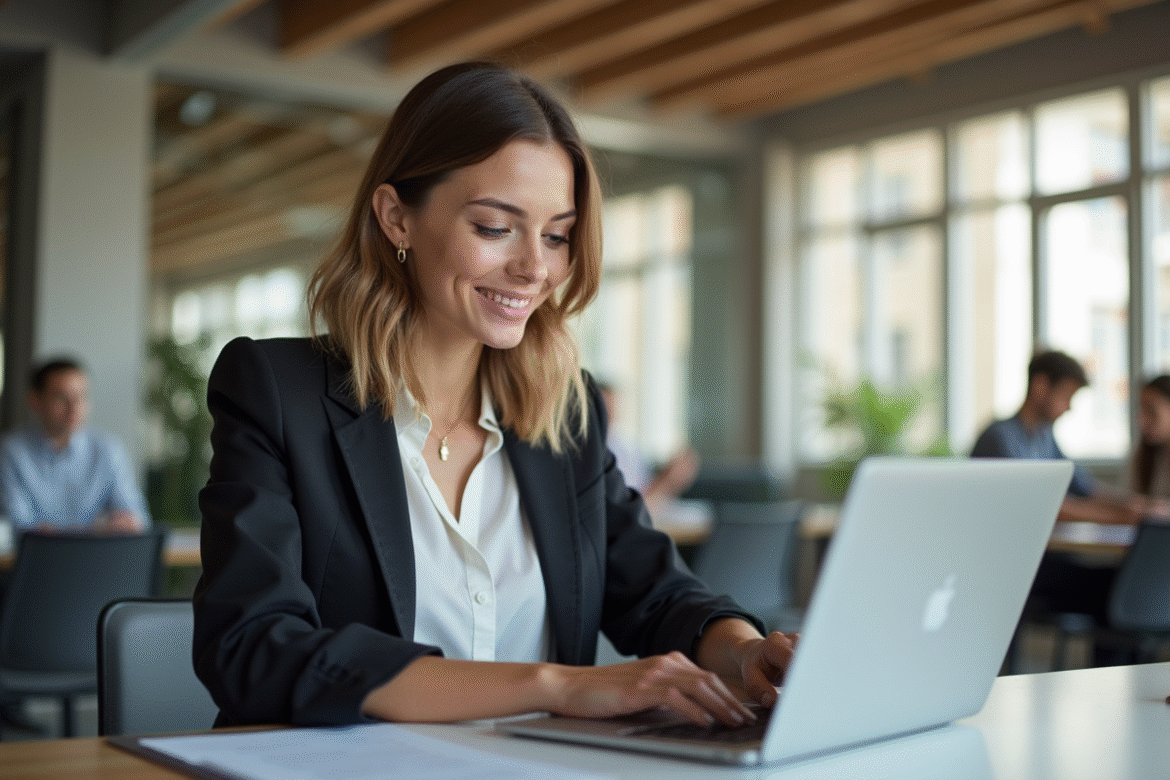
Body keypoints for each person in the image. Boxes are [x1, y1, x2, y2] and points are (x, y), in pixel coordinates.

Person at [192, 61, 796, 730]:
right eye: (494, 227)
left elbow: (654, 591)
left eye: (557, 235)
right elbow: (251, 648)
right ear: (397, 218)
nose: (535, 268)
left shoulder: (565, 414)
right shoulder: (278, 393)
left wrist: (743, 653)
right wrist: (552, 685)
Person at [970, 349, 1147, 526]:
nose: (1069, 407)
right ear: (1040, 387)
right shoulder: (999, 438)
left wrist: (1139, 505)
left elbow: (1083, 487)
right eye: (1066, 395)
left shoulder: (1045, 436)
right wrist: (1123, 517)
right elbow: (1039, 507)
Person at [0, 357, 150, 534]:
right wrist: (98, 528)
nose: (75, 407)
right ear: (36, 400)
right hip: (39, 559)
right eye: (62, 397)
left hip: (98, 558)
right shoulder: (11, 452)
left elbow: (135, 519)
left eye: (82, 396)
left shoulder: (108, 449)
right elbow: (17, 527)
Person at [597, 381, 700, 517]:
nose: (610, 414)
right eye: (604, 407)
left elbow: (644, 499)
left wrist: (669, 477)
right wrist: (667, 481)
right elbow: (628, 511)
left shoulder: (627, 449)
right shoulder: (595, 453)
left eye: (613, 407)